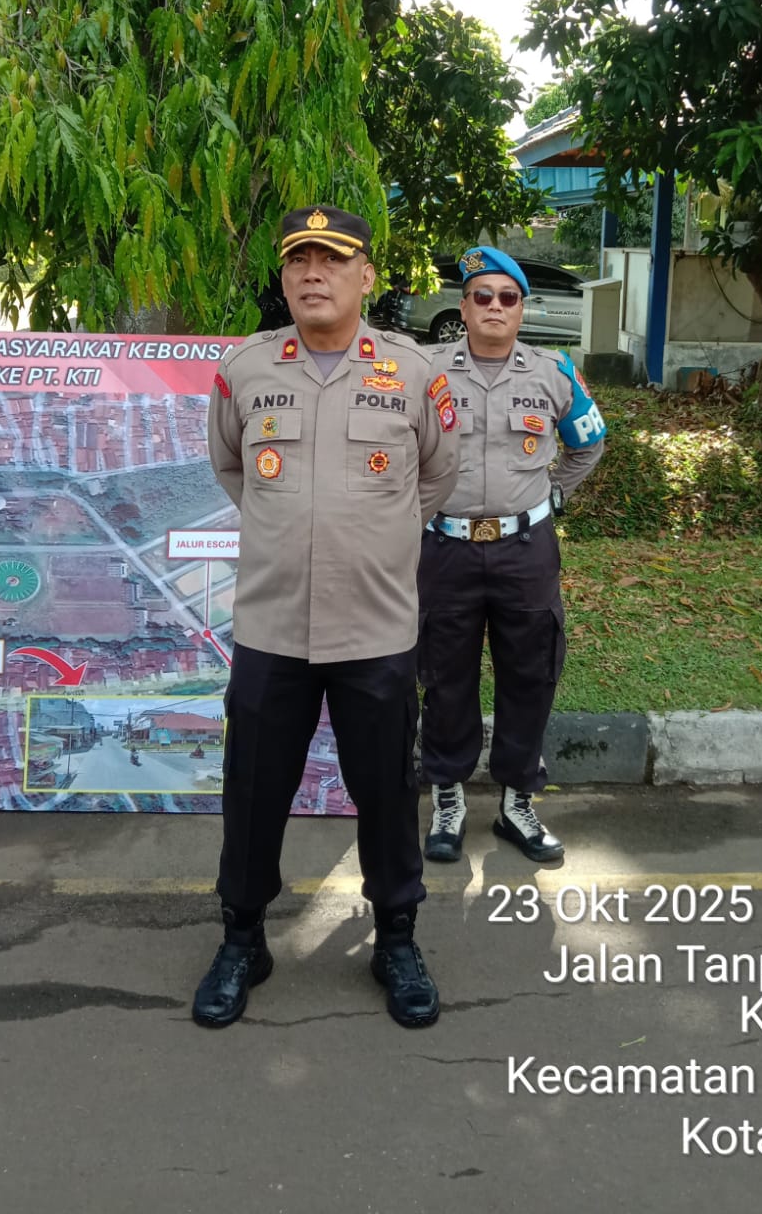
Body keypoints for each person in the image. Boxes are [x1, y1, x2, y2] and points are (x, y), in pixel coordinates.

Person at [194, 204, 461, 1030]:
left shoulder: (413, 373)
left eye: (333, 259)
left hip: (374, 628)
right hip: (273, 628)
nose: (314, 273)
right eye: (299, 260)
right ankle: (243, 940)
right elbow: (232, 467)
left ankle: (397, 939)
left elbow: (437, 477)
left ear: (366, 275)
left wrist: (369, 535)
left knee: (386, 792)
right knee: (253, 792)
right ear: (282, 277)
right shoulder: (244, 369)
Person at [418, 246, 606, 865]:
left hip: (526, 550)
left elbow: (589, 443)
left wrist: (555, 495)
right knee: (445, 675)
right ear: (464, 306)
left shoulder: (554, 372)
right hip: (444, 548)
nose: (494, 306)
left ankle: (517, 802)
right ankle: (448, 797)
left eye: (507, 297)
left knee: (530, 674)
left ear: (523, 307)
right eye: (482, 295)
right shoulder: (426, 370)